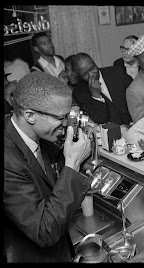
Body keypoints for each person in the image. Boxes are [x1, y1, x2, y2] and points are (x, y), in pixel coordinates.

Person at [4, 71, 92, 262]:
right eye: (61, 117)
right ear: (30, 115)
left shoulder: (41, 135)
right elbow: (44, 231)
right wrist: (72, 163)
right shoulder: (7, 161)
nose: (66, 124)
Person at [71, 52, 133, 126]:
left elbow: (136, 98)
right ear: (79, 75)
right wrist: (96, 96)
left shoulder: (117, 72)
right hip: (110, 132)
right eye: (85, 74)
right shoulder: (79, 93)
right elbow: (100, 119)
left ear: (94, 63)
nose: (91, 74)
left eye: (92, 68)